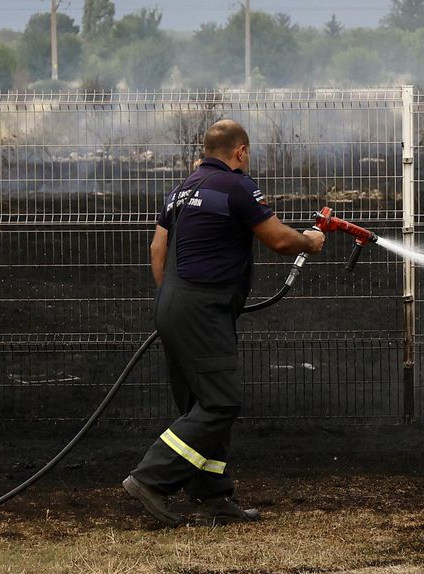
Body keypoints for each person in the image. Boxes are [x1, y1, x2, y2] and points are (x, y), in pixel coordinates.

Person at [122, 119, 324, 527]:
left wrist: (174, 300)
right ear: (240, 151)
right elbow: (280, 240)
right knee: (221, 402)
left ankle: (212, 495)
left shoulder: (180, 192)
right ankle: (151, 479)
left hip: (173, 302)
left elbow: (157, 249)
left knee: (199, 403)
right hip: (201, 307)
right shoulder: (236, 186)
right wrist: (310, 239)